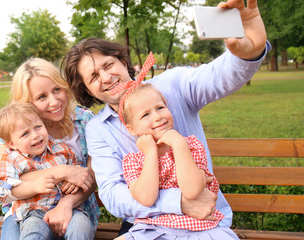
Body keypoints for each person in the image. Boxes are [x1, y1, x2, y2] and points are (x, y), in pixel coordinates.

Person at [62, 0, 269, 236]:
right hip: (146, 226)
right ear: (88, 90)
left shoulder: (171, 85)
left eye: (109, 64)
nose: (107, 77)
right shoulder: (99, 129)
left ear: (123, 61)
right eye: (94, 76)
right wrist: (177, 201)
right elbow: (112, 194)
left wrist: (249, 54)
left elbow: (217, 77)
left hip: (204, 219)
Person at [0, 58, 100, 240]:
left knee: (79, 231)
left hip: (75, 207)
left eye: (57, 89)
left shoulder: (85, 120)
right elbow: (7, 179)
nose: (54, 101)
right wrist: (63, 171)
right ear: (27, 102)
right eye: (42, 97)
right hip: (26, 211)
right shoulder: (16, 131)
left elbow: (92, 175)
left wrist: (66, 203)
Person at [117, 83, 239, 239]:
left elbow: (193, 190)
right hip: (153, 230)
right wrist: (151, 153)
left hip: (199, 230)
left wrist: (179, 144)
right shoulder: (133, 160)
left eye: (160, 108)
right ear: (131, 129)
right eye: (145, 115)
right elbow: (147, 198)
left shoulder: (191, 146)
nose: (157, 116)